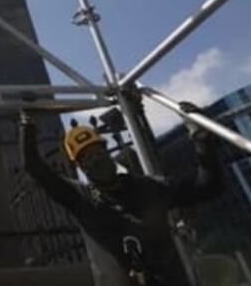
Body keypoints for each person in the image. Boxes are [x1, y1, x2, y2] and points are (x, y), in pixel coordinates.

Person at [19, 103, 222, 285]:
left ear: (108, 153)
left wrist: (202, 140)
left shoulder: (148, 188)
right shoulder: (81, 199)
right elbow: (35, 167)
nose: (96, 160)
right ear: (80, 167)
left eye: (99, 152)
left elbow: (207, 186)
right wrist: (27, 124)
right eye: (87, 158)